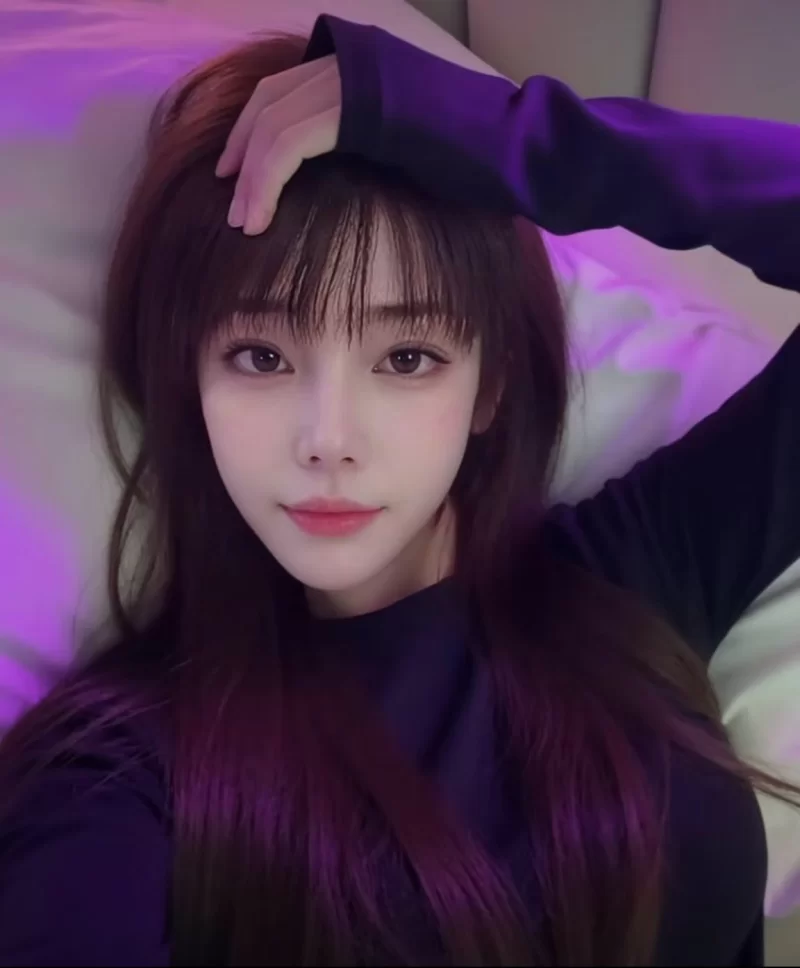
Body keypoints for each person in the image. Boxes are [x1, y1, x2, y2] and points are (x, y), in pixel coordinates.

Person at [0, 13, 799, 967]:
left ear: (489, 386)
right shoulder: (121, 777)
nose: (329, 442)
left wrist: (497, 135)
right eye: (261, 356)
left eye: (407, 357)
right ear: (188, 382)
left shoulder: (635, 575)